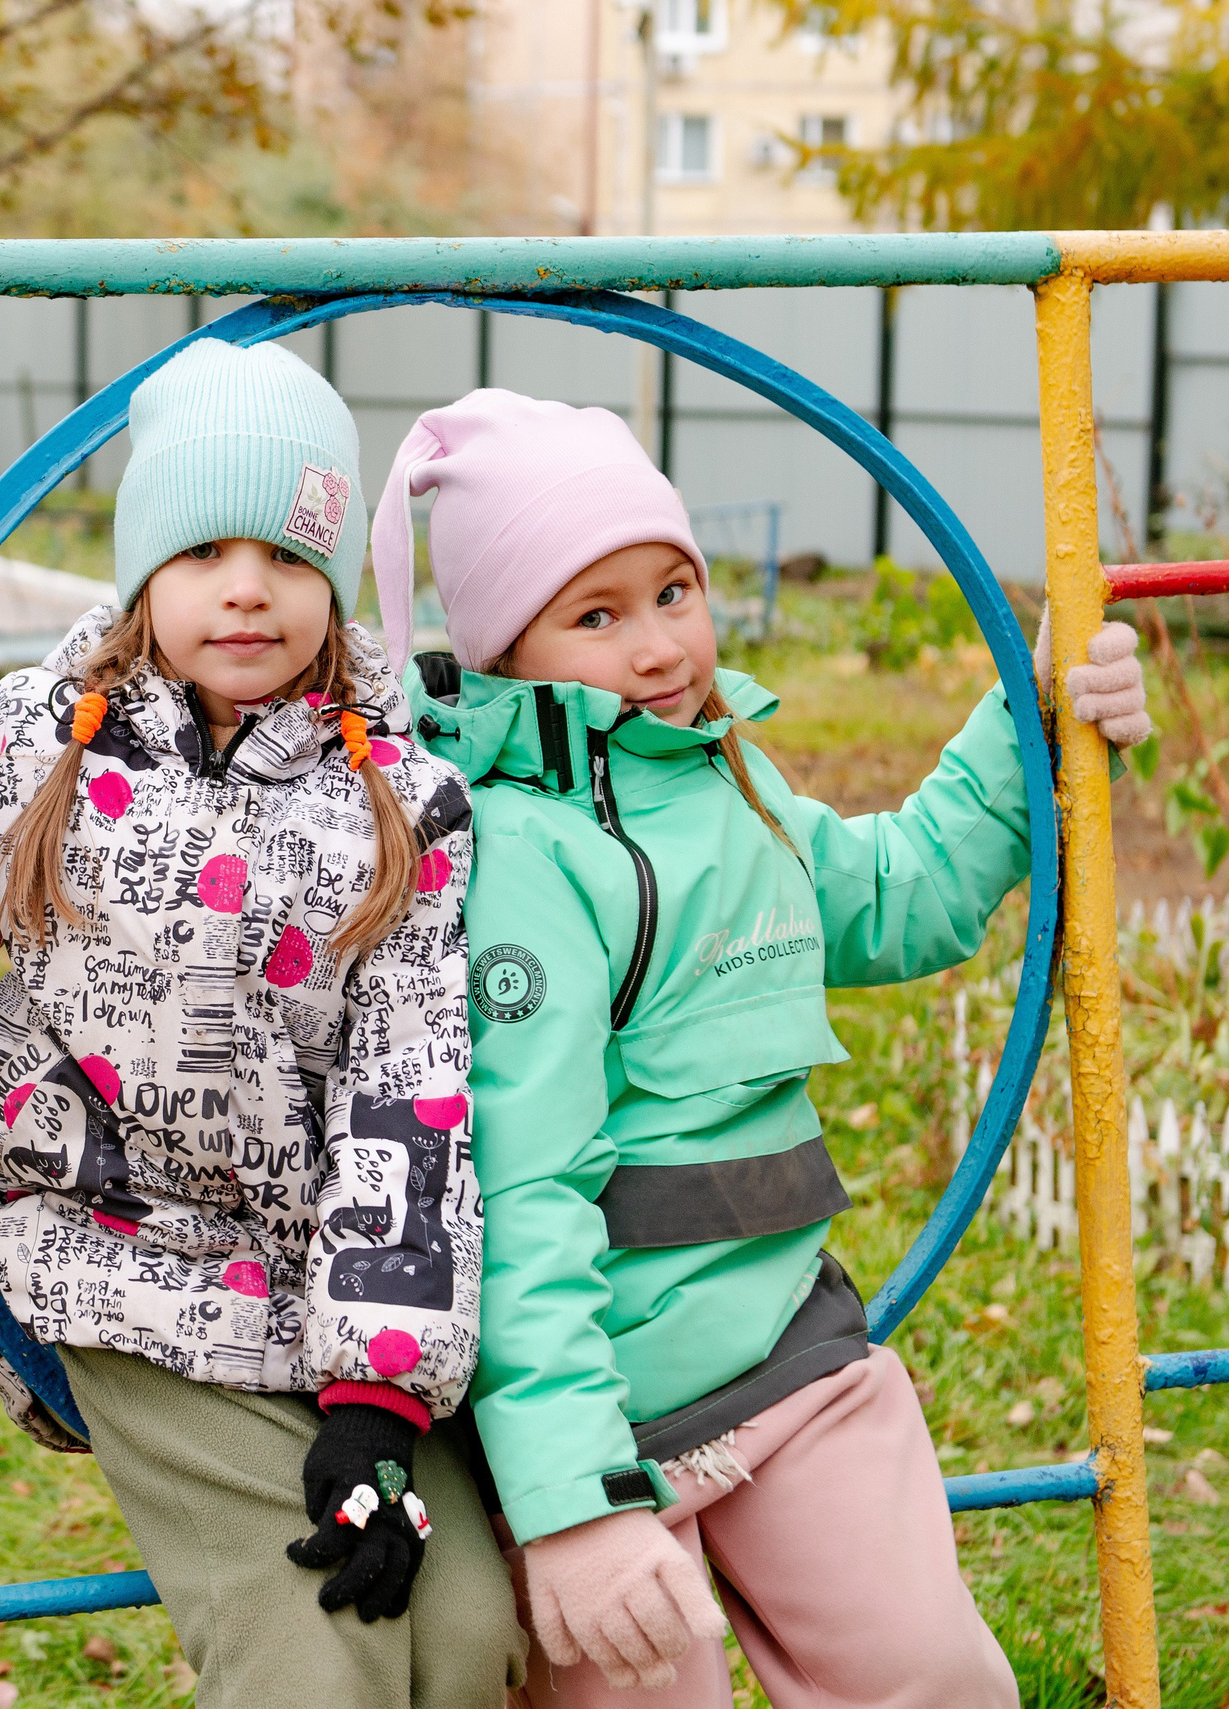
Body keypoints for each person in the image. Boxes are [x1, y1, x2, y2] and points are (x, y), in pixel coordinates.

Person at [365, 389, 1152, 1709]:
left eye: (674, 588)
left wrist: (1036, 718)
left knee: (931, 1677)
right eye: (596, 615)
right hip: (603, 1418)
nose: (662, 643)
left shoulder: (725, 773)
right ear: (504, 650)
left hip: (792, 1357)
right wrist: (571, 1503)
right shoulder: (519, 860)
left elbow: (897, 893)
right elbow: (519, 1191)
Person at [0, 340, 528, 1709]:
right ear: (142, 576)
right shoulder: (54, 742)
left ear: (332, 579)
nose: (244, 586)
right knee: (309, 1653)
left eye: (286, 553)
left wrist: (378, 1393)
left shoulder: (398, 801)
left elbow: (409, 1097)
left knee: (469, 1632)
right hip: (115, 1265)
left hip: (319, 1289)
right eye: (202, 549)